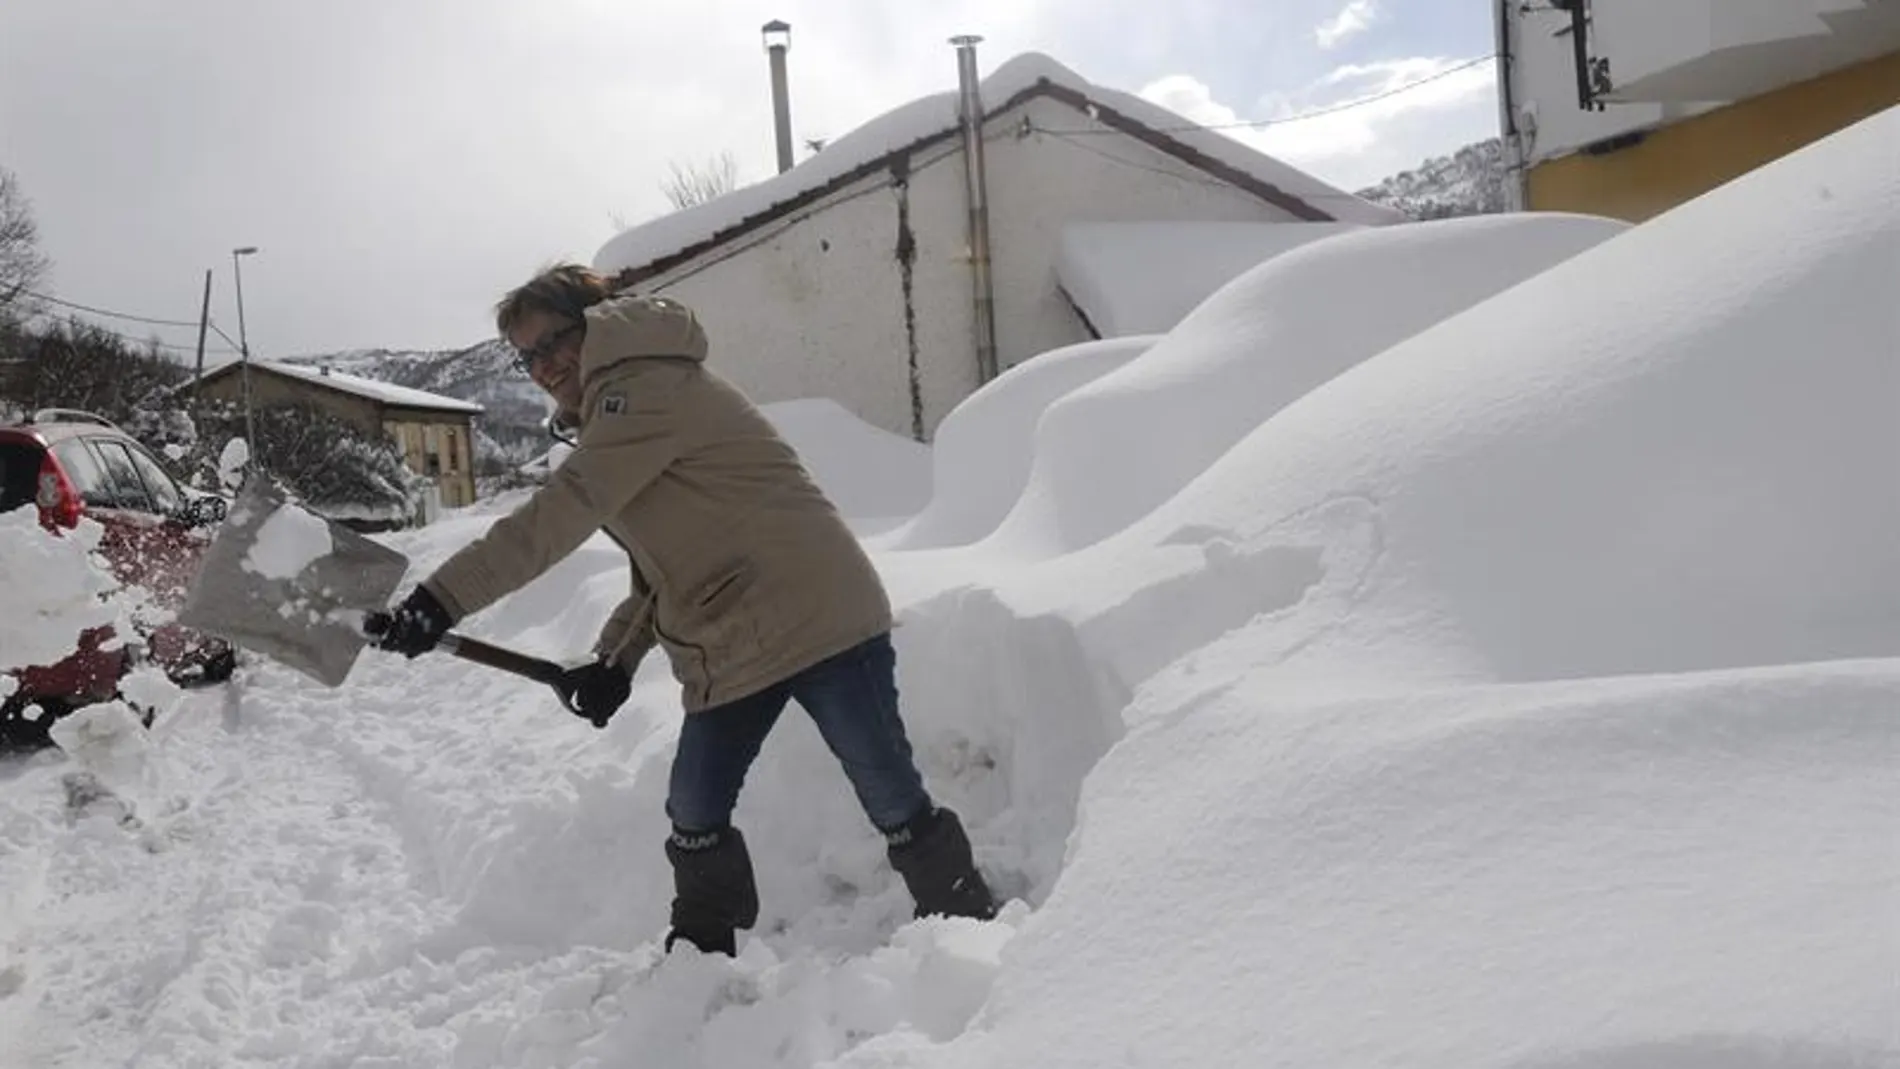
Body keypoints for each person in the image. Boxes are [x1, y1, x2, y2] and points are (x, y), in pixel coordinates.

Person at [366, 265, 997, 956]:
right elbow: (655, 573)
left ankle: (963, 920)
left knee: (888, 788)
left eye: (556, 340)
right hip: (733, 638)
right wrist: (615, 660)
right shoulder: (616, 410)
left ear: (596, 323)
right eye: (530, 355)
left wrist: (440, 600)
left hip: (820, 616)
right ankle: (703, 946)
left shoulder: (642, 389)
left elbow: (558, 516)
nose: (546, 365)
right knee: (693, 805)